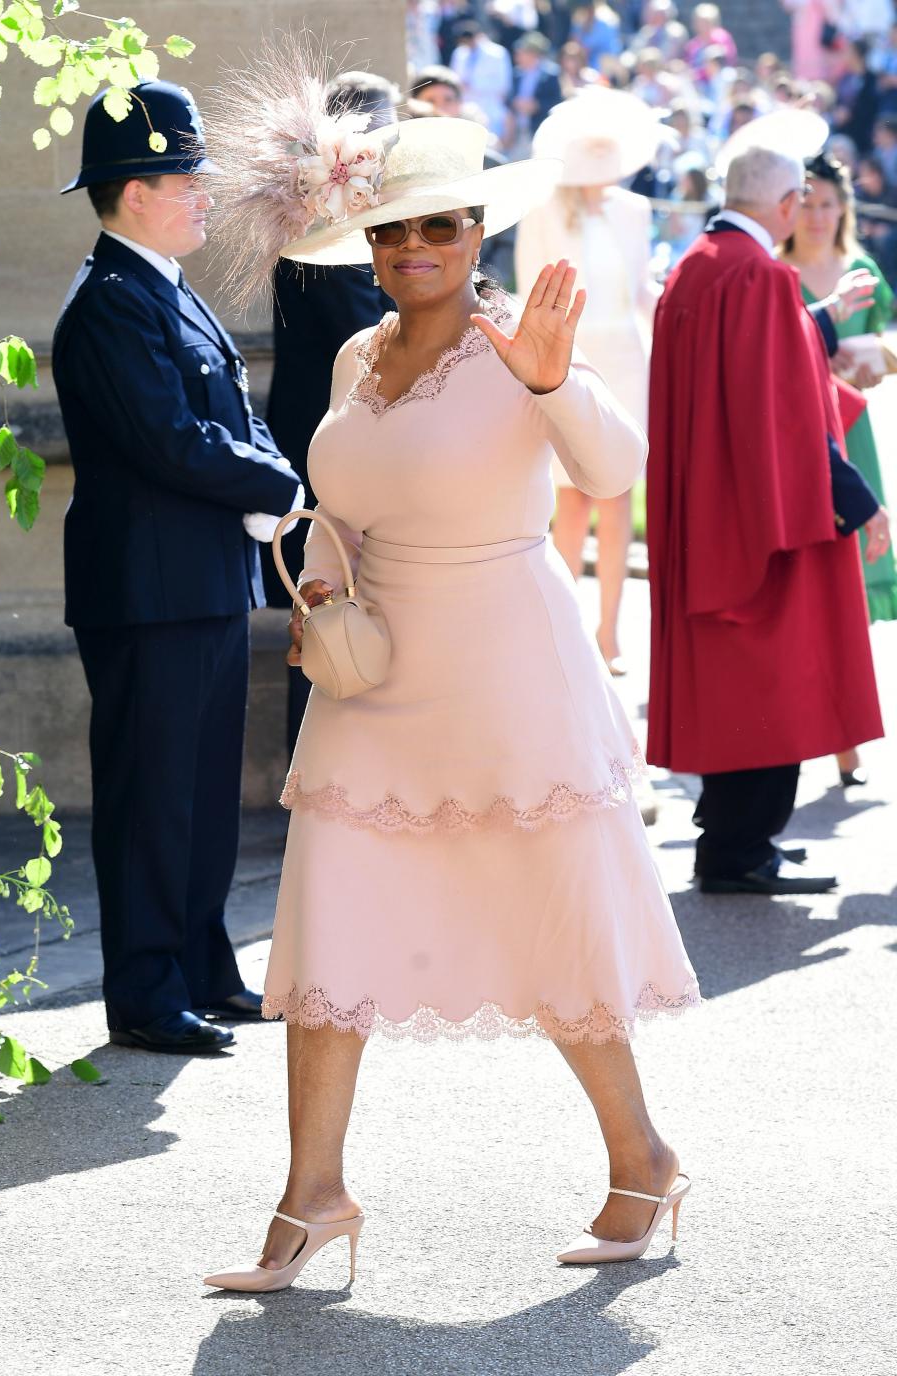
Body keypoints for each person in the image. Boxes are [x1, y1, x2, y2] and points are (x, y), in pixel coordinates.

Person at [200, 92, 698, 1290]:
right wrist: (321, 592)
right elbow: (343, 510)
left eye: (437, 228)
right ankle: (311, 1194)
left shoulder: (519, 340)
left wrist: (548, 383)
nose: (411, 251)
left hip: (509, 672)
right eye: (389, 233)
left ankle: (644, 1157)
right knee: (333, 925)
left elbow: (617, 471)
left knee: (550, 923)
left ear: (478, 234)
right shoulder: (352, 356)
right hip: (372, 683)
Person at [52, 82, 303, 1053]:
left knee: (198, 787)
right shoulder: (114, 300)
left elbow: (227, 417)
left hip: (196, 578)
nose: (204, 191)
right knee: (151, 792)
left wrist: (269, 468)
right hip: (148, 589)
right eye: (187, 174)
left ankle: (200, 964)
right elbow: (170, 437)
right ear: (135, 189)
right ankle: (149, 990)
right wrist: (276, 481)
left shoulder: (160, 283)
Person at [648, 143, 889, 896]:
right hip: (758, 516)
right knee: (767, 681)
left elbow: (749, 368)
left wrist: (818, 316)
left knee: (733, 683)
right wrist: (859, 503)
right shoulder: (758, 273)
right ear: (787, 206)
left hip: (709, 505)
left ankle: (733, 841)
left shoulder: (700, 262)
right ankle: (740, 849)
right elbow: (784, 413)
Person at [264, 73, 397, 755]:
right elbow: (372, 343)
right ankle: (317, 779)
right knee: (323, 620)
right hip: (329, 453)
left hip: (345, 449)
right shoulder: (326, 234)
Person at [515, 89, 662, 674]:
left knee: (620, 491)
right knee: (570, 497)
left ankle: (610, 631)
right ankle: (567, 625)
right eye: (591, 145)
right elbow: (533, 290)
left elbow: (642, 289)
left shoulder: (635, 210)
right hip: (570, 360)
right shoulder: (543, 210)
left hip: (626, 359)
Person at [781, 150, 897, 781]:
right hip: (800, 437)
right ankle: (816, 730)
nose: (819, 215)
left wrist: (871, 354)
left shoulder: (864, 270)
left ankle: (847, 737)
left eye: (830, 203)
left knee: (851, 579)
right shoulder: (774, 272)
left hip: (853, 431)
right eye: (808, 201)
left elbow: (890, 351)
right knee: (810, 580)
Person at [450, 20, 514, 136]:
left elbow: (504, 84)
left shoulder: (498, 53)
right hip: (466, 109)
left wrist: (473, 85)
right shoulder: (459, 53)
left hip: (491, 109)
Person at [504, 32, 563, 155]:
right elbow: (509, 98)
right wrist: (515, 103)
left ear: (533, 53)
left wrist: (537, 106)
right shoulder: (517, 74)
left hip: (539, 130)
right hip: (518, 132)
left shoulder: (552, 74)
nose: (518, 55)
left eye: (522, 52)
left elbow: (557, 102)